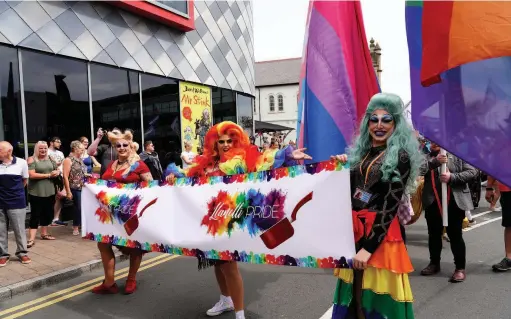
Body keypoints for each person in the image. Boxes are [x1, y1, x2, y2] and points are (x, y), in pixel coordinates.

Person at [165, 121, 311, 319]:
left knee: (229, 266)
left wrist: (285, 155)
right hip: (212, 221)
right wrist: (174, 176)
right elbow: (188, 175)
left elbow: (264, 161)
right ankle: (226, 299)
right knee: (217, 261)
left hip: (232, 220)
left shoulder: (242, 160)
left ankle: (240, 314)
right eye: (221, 141)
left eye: (229, 141)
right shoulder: (207, 164)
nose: (225, 145)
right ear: (214, 144)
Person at [331, 93, 422, 318]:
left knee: (374, 301)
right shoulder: (360, 154)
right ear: (367, 123)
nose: (379, 125)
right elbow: (350, 193)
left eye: (386, 119)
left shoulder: (400, 156)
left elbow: (389, 208)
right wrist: (341, 168)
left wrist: (368, 248)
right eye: (374, 119)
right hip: (354, 233)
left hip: (380, 237)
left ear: (396, 124)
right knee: (354, 298)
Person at [92, 130, 153, 295]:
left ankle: (131, 279)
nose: (121, 148)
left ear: (131, 146)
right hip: (110, 213)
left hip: (131, 212)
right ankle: (109, 282)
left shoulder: (139, 165)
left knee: (134, 247)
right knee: (103, 243)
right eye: (118, 145)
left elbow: (152, 186)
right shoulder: (112, 164)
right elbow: (104, 184)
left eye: (124, 145)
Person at [420, 143, 477, 282]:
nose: (433, 142)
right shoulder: (423, 154)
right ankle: (434, 263)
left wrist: (453, 177)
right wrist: (435, 162)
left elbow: (472, 171)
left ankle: (460, 268)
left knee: (455, 234)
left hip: (454, 201)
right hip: (432, 201)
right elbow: (417, 170)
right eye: (431, 140)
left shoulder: (458, 151)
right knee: (433, 234)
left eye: (436, 139)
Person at [0, 141, 31, 266]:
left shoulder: (21, 163)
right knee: (1, 230)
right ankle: (3, 254)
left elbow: (24, 181)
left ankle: (22, 253)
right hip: (0, 202)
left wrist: (14, 193)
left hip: (16, 201)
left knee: (19, 229)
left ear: (9, 151)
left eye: (0, 150)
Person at [27, 141, 60, 247]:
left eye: (45, 148)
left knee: (47, 213)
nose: (43, 150)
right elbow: (31, 175)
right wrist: (49, 175)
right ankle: (31, 239)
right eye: (41, 148)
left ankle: (44, 234)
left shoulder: (50, 158)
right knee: (35, 215)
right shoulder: (32, 159)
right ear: (37, 149)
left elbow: (57, 168)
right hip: (36, 192)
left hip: (50, 191)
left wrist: (57, 172)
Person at [486, 176, 511, 272]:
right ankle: (509, 258)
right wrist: (489, 187)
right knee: (509, 224)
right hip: (507, 188)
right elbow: (495, 165)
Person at [62, 141, 86, 236]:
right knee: (78, 207)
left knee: (81, 207)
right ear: (75, 149)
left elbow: (80, 173)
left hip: (82, 187)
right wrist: (68, 191)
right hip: (74, 187)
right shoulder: (68, 160)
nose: (82, 150)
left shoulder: (79, 159)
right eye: (81, 149)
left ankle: (80, 225)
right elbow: (65, 176)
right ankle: (75, 226)